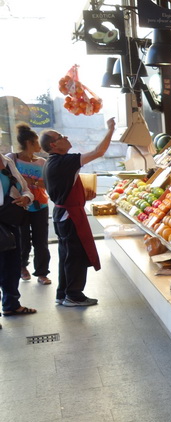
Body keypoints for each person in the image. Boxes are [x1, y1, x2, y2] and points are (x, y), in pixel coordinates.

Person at [40, 118, 115, 307]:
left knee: (67, 254)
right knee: (76, 256)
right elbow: (99, 151)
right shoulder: (64, 161)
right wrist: (110, 130)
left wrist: (81, 195)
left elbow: (64, 188)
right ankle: (73, 294)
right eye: (60, 136)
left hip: (63, 214)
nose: (65, 137)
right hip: (69, 216)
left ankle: (63, 293)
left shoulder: (52, 162)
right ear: (53, 144)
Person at [7, 123, 50, 285]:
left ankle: (42, 272)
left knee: (41, 241)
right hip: (20, 206)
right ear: (29, 143)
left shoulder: (41, 162)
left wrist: (33, 182)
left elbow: (47, 184)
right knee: (22, 240)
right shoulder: (12, 159)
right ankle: (22, 267)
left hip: (40, 205)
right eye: (37, 142)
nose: (40, 146)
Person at [0, 153, 37, 321]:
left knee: (12, 266)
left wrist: (26, 198)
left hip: (10, 221)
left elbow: (26, 188)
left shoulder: (7, 162)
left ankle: (11, 305)